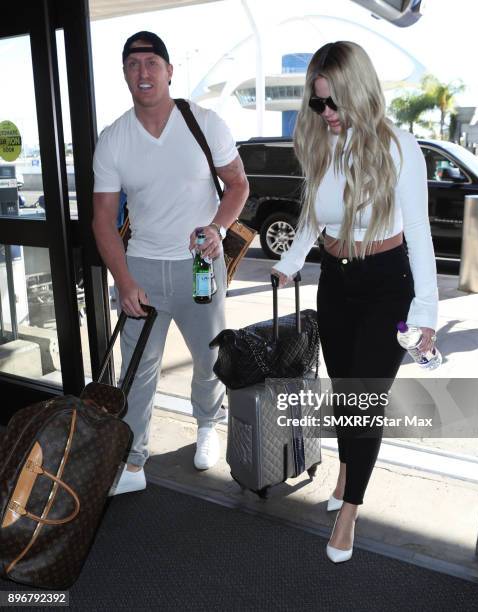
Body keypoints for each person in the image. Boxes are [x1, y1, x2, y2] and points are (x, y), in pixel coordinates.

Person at [272, 41, 439, 563]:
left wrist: (426, 313)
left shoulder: (399, 146)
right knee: (346, 394)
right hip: (336, 283)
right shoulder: (321, 142)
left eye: (334, 103)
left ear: (360, 93)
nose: (326, 114)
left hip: (388, 282)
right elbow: (311, 216)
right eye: (317, 104)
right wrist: (292, 261)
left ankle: (350, 510)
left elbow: (417, 230)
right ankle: (346, 473)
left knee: (364, 401)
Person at [92, 31, 249, 495]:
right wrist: (122, 279)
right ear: (125, 74)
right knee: (136, 370)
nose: (143, 72)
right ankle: (134, 462)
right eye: (133, 64)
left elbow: (238, 185)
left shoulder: (204, 122)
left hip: (199, 265)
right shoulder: (114, 138)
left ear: (168, 70)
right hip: (141, 267)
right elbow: (103, 221)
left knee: (210, 356)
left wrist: (217, 228)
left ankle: (206, 425)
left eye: (151, 62)